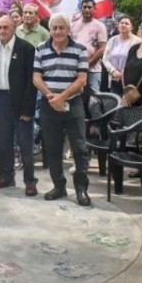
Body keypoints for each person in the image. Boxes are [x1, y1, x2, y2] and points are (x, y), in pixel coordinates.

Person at [33, 13, 92, 207]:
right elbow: (36, 78)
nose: (58, 31)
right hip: (49, 105)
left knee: (80, 148)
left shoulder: (80, 50)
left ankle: (81, 189)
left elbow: (82, 79)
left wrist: (62, 97)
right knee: (52, 148)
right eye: (54, 28)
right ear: (49, 30)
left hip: (73, 105)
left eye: (61, 28)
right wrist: (52, 97)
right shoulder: (41, 49)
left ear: (68, 29)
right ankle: (59, 186)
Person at [0, 15, 39, 194]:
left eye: (5, 28)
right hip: (0, 99)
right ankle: (6, 177)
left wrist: (28, 108)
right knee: (3, 141)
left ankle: (30, 181)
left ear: (14, 27)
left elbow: (31, 82)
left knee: (25, 143)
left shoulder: (26, 49)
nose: (2, 31)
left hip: (21, 100)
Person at [70, 0, 107, 91]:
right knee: (75, 96)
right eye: (84, 7)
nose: (87, 10)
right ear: (81, 9)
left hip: (93, 70)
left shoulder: (100, 26)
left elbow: (102, 49)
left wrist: (87, 64)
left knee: (93, 100)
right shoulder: (73, 25)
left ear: (95, 9)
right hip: (75, 69)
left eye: (89, 7)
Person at [102, 17, 140, 95]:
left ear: (132, 27)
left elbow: (138, 60)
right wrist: (113, 71)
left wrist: (124, 72)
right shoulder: (112, 40)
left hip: (130, 81)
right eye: (121, 23)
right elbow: (105, 59)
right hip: (114, 79)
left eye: (126, 23)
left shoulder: (138, 41)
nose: (123, 25)